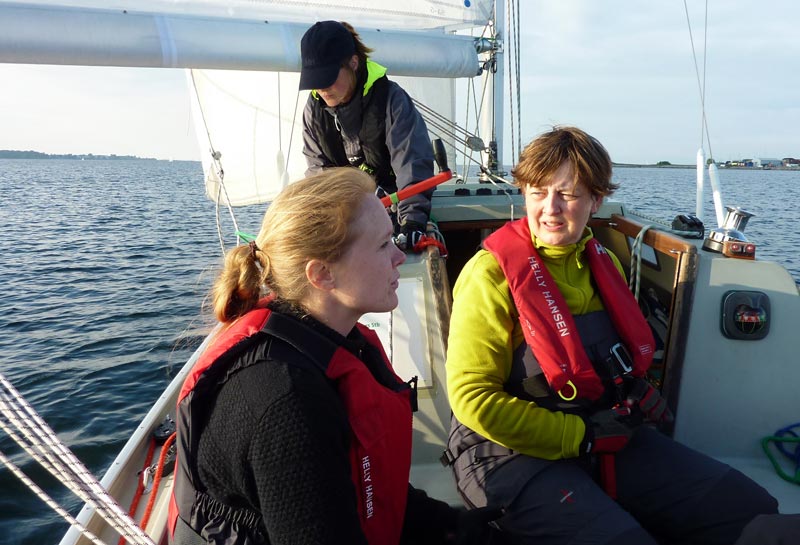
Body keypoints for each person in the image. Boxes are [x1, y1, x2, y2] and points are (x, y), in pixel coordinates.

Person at [442, 126, 779, 544]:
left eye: (567, 194)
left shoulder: (604, 265)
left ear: (595, 200)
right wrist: (578, 439)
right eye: (537, 192)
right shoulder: (489, 275)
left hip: (598, 428)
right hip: (504, 453)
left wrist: (634, 389)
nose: (550, 209)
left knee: (750, 509)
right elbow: (474, 400)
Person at [168, 168, 497, 545]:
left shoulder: (327, 340)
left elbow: (365, 491)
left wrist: (454, 526)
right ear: (322, 274)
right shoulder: (286, 403)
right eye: (382, 244)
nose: (398, 257)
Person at [299, 20, 434, 250]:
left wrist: (412, 222)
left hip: (395, 208)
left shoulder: (391, 100)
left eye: (327, 77)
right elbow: (318, 176)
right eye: (315, 79)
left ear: (353, 63)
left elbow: (411, 163)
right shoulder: (314, 112)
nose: (321, 87)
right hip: (347, 215)